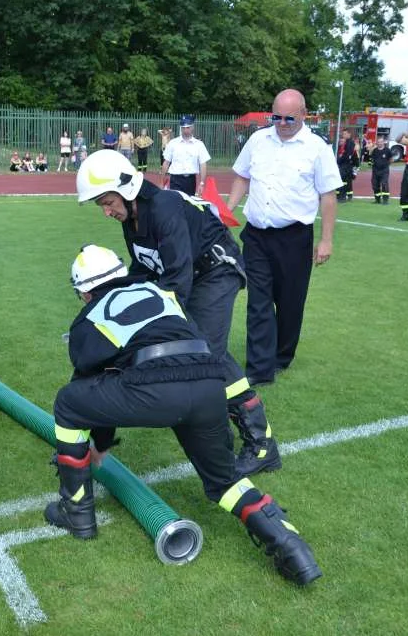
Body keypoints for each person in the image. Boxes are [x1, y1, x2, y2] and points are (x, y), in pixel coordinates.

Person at [44, 244, 321, 585]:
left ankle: (77, 512)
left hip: (156, 388)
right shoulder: (160, 291)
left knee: (69, 402)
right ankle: (292, 546)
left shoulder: (90, 317)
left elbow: (91, 383)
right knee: (224, 482)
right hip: (208, 384)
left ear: (85, 292)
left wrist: (100, 444)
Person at [76, 149, 280, 476]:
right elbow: (144, 267)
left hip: (215, 272)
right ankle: (227, 431)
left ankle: (261, 442)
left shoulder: (164, 208)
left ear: (126, 188)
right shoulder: (134, 217)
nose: (106, 212)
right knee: (205, 353)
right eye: (102, 205)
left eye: (107, 202)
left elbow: (177, 279)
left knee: (206, 354)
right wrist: (110, 298)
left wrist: (158, 321)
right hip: (191, 276)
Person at [227, 89, 341, 386]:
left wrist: (326, 240)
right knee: (258, 301)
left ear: (304, 114)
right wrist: (226, 211)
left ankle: (282, 354)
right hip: (256, 236)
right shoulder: (257, 141)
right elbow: (242, 176)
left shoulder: (317, 148)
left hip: (294, 238)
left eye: (289, 118)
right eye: (276, 117)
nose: (282, 123)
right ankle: (260, 369)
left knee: (290, 303)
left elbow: (328, 196)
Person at [161, 115, 211, 196]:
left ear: (192, 127)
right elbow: (166, 163)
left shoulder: (199, 145)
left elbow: (203, 164)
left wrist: (202, 183)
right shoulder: (173, 143)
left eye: (188, 127)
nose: (185, 130)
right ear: (181, 128)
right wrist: (161, 182)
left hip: (190, 181)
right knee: (176, 205)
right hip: (175, 180)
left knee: (188, 205)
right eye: (183, 127)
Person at [369, 136, 392, 204]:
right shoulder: (375, 150)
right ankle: (377, 199)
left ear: (383, 142)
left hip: (384, 170)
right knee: (375, 185)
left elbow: (391, 159)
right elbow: (372, 159)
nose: (380, 143)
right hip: (375, 170)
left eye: (381, 142)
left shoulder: (387, 150)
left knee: (384, 184)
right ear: (377, 143)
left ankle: (385, 200)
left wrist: (386, 165)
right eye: (378, 142)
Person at [335, 129, 356, 202]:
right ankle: (341, 196)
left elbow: (347, 155)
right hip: (343, 165)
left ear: (349, 134)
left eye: (344, 134)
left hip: (346, 165)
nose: (343, 135)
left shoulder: (350, 143)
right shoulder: (345, 143)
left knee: (343, 181)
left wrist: (341, 159)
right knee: (343, 181)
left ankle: (342, 197)